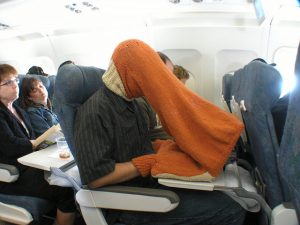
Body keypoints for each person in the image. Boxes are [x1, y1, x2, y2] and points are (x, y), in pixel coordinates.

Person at [74, 39, 246, 225]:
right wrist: (145, 163)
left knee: (224, 196)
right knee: (231, 210)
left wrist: (167, 148)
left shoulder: (134, 104)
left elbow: (141, 145)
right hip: (125, 203)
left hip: (148, 186)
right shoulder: (94, 112)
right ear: (130, 74)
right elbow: (96, 179)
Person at [0, 64, 76, 225]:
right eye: (7, 82)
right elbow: (10, 145)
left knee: (69, 176)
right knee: (65, 190)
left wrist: (42, 142)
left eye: (15, 80)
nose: (15, 84)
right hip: (12, 174)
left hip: (29, 165)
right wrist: (35, 143)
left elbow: (31, 138)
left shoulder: (18, 109)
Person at [136, 51, 174, 141]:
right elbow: (144, 141)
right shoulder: (139, 102)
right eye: (167, 75)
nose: (171, 81)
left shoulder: (160, 99)